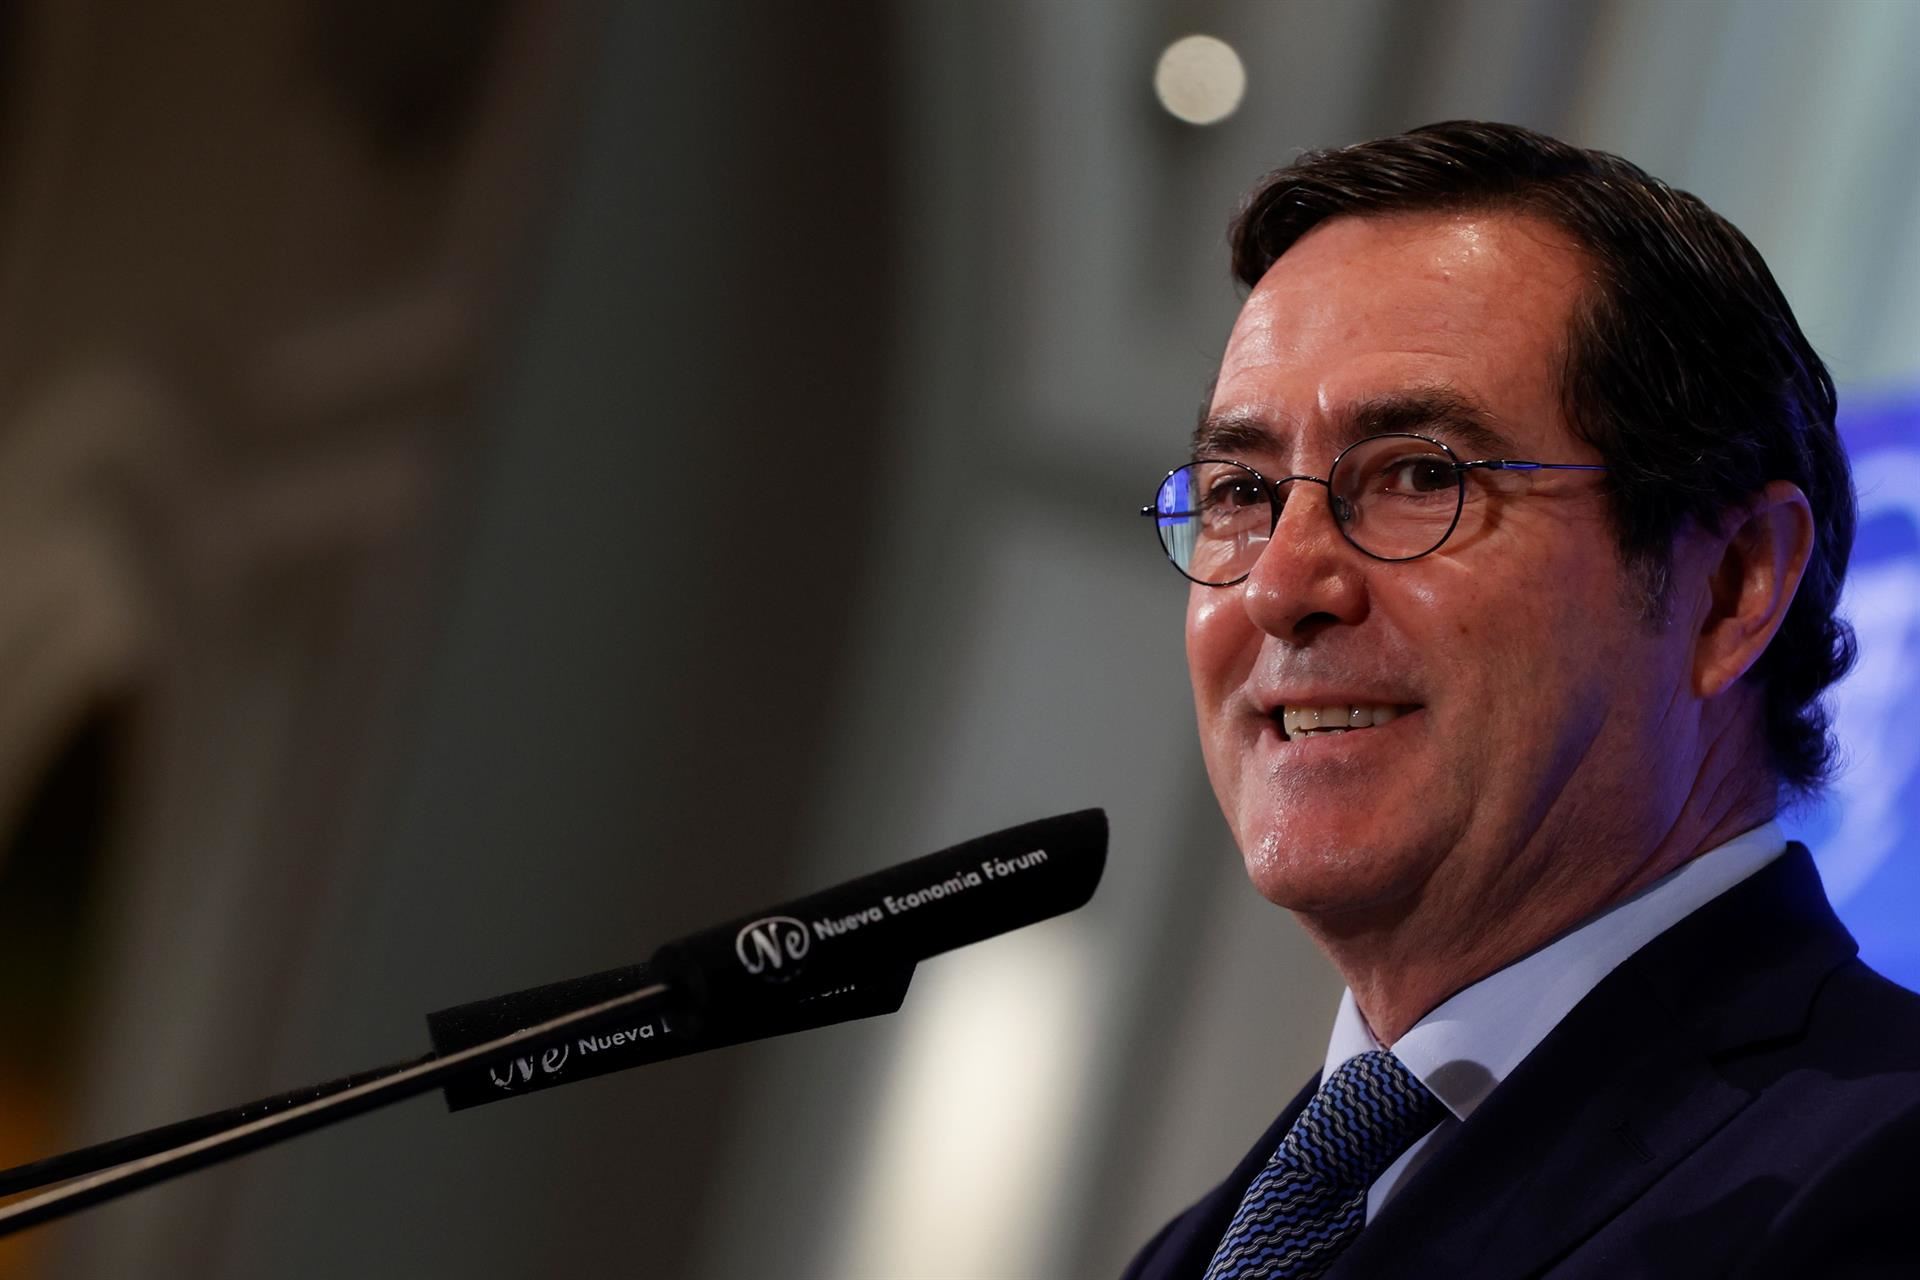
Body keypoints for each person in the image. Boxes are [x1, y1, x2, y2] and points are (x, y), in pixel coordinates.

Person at [1123, 120, 1920, 1280]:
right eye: (1242, 491)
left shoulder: (1882, 1176)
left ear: (1732, 584)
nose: (1281, 586)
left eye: (1419, 475)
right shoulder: (1195, 1250)